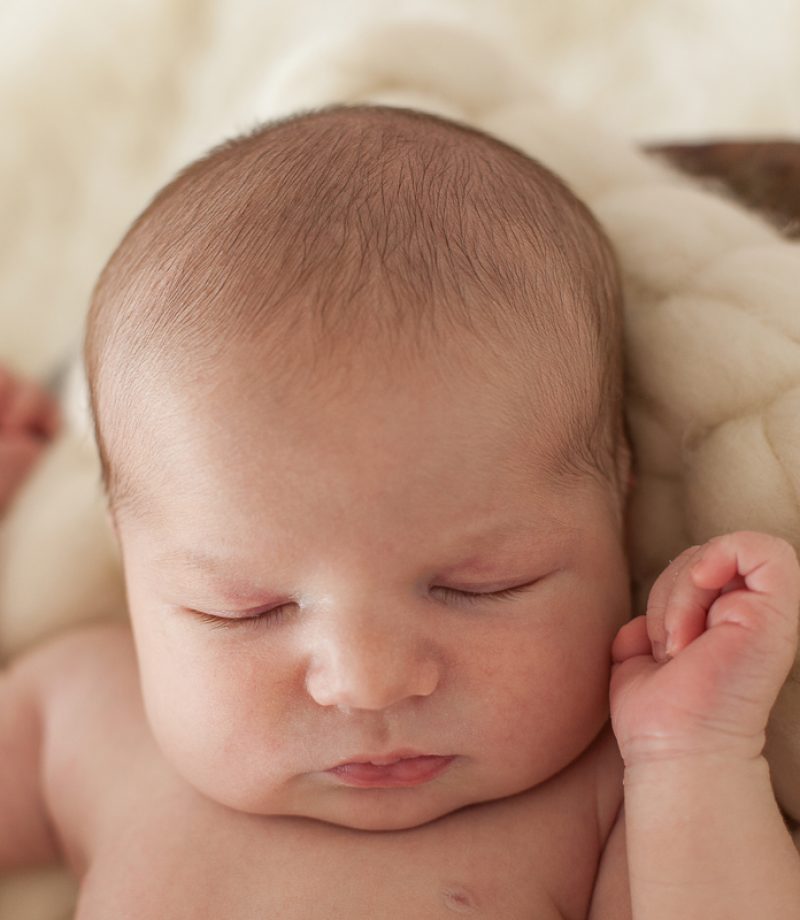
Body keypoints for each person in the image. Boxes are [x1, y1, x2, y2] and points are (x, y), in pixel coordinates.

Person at [2, 103, 799, 919]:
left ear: (616, 510)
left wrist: (694, 755)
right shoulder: (89, 719)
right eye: (246, 608)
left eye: (481, 586)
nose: (368, 684)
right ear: (128, 550)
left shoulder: (621, 785)